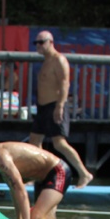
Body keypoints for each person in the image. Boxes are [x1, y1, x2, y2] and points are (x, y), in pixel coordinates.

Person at [29, 31, 91, 188]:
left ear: (51, 42)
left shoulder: (59, 60)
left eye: (41, 42)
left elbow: (65, 84)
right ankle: (39, 175)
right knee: (34, 141)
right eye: (36, 43)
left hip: (54, 105)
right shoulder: (46, 61)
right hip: (42, 108)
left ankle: (84, 173)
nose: (38, 46)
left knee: (59, 143)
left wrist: (60, 106)